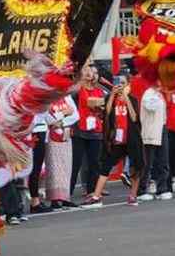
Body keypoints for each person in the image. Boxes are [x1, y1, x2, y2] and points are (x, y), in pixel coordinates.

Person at [86, 76, 143, 206]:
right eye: (118, 83)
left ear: (128, 85)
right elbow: (107, 112)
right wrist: (112, 95)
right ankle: (96, 196)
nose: (120, 86)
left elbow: (134, 117)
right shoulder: (111, 98)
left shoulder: (133, 99)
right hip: (116, 139)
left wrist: (126, 98)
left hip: (131, 139)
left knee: (136, 166)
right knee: (106, 165)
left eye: (123, 83)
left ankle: (133, 195)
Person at [69, 64, 105, 199]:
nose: (90, 73)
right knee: (75, 162)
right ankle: (68, 192)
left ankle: (92, 191)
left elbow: (103, 108)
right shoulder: (77, 90)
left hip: (95, 130)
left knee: (94, 163)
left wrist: (101, 110)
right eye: (86, 70)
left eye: (92, 71)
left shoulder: (99, 90)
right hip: (79, 130)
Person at [39, 95, 79, 210]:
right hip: (51, 137)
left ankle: (65, 198)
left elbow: (75, 114)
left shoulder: (66, 97)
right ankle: (54, 199)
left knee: (67, 166)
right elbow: (48, 118)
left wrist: (62, 122)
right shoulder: (46, 97)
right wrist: (64, 113)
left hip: (65, 134)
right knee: (54, 168)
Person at [136, 83, 167, 201]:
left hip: (162, 128)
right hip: (150, 131)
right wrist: (160, 95)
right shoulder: (148, 94)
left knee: (163, 160)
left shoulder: (160, 94)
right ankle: (142, 189)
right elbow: (151, 107)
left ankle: (162, 189)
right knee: (147, 162)